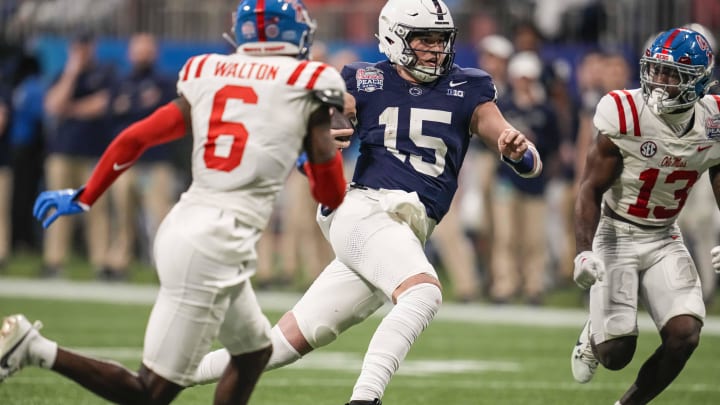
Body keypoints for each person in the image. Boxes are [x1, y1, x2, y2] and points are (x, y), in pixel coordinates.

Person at [191, 1, 542, 404]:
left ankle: (166, 379)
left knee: (283, 344)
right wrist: (322, 132)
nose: (434, 49)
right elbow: (314, 132)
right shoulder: (363, 79)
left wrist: (517, 150)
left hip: (401, 229)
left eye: (441, 40)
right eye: (423, 39)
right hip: (366, 209)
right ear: (394, 37)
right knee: (423, 293)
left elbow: (525, 156)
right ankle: (365, 399)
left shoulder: (470, 87)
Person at [0, 1, 348, 404]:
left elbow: (136, 137)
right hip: (216, 243)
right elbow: (331, 195)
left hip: (189, 223)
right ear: (295, 34)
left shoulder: (210, 70)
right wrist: (313, 154)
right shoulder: (310, 79)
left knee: (253, 354)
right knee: (150, 393)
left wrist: (86, 194)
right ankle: (34, 347)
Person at [570, 27, 719, 405]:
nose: (660, 82)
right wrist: (584, 251)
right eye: (655, 70)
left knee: (685, 333)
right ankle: (594, 334)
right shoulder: (623, 112)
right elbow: (589, 188)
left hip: (664, 236)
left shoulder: (713, 122)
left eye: (673, 75)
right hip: (615, 233)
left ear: (699, 82)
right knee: (616, 354)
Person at [102, 32, 178, 280]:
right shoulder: (121, 82)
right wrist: (141, 103)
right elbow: (113, 114)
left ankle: (165, 267)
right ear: (129, 53)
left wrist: (130, 106)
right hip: (128, 163)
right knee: (122, 216)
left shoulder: (165, 82)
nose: (142, 55)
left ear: (154, 52)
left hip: (156, 162)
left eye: (146, 50)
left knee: (160, 217)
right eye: (138, 50)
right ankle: (118, 262)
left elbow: (161, 116)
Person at [41, 31, 116, 278]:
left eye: (85, 46)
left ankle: (101, 263)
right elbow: (53, 104)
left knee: (97, 209)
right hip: (63, 152)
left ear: (92, 47)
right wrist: (72, 72)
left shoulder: (104, 72)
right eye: (77, 47)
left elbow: (103, 104)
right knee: (58, 208)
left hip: (95, 153)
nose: (82, 51)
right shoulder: (63, 74)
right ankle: (55, 262)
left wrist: (70, 109)